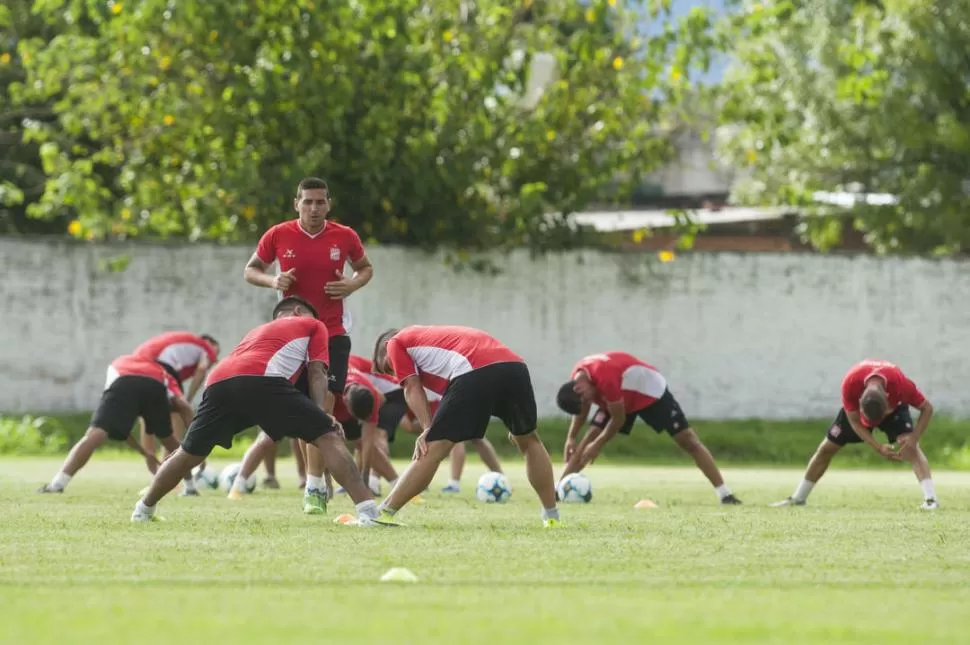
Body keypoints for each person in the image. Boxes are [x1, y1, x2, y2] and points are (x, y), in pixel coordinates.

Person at [131, 296, 382, 524]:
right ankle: (369, 513)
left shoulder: (256, 332)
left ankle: (143, 510)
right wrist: (320, 413)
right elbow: (318, 372)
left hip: (218, 381)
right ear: (297, 311)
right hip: (263, 378)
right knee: (328, 435)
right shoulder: (315, 325)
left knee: (189, 452)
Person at [243, 176, 373, 511]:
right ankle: (316, 483)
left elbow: (365, 269)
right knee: (304, 411)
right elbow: (250, 270)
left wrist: (351, 286)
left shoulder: (344, 236)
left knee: (324, 405)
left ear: (329, 203)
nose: (314, 208)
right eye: (308, 202)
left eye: (320, 202)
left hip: (332, 333)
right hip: (292, 336)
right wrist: (273, 279)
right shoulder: (278, 234)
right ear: (296, 203)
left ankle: (315, 486)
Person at [370, 325, 561, 527]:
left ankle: (383, 514)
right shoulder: (432, 341)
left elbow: (411, 387)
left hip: (473, 368)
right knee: (529, 440)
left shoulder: (395, 343)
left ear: (384, 348)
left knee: (433, 447)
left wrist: (427, 428)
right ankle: (552, 516)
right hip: (514, 366)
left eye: (389, 368)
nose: (394, 375)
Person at [556, 352, 741, 505]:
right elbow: (582, 410)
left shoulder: (606, 378)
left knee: (688, 440)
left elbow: (618, 419)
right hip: (618, 397)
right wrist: (571, 437)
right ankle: (557, 491)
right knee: (587, 439)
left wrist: (598, 444)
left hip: (648, 392)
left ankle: (725, 494)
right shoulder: (578, 380)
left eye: (588, 400)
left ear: (579, 389)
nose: (590, 404)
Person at [772, 359, 937, 509]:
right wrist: (877, 446)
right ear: (859, 399)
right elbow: (855, 422)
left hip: (893, 411)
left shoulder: (901, 385)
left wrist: (914, 439)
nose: (874, 425)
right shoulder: (850, 384)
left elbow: (927, 408)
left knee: (910, 445)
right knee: (826, 448)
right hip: (858, 415)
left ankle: (931, 500)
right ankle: (798, 498)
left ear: (888, 396)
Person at [38, 354, 194, 493]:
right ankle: (190, 487)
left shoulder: (121, 361)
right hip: (155, 387)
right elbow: (183, 406)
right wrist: (195, 439)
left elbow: (118, 427)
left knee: (96, 434)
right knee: (168, 439)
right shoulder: (164, 373)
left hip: (123, 382)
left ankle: (57, 484)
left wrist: (146, 454)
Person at [132, 331, 220, 494]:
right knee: (178, 418)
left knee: (146, 419)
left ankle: (156, 476)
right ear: (210, 344)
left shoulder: (181, 347)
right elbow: (201, 369)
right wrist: (188, 399)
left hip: (137, 368)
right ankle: (170, 479)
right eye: (216, 355)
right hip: (159, 367)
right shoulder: (206, 347)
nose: (213, 361)